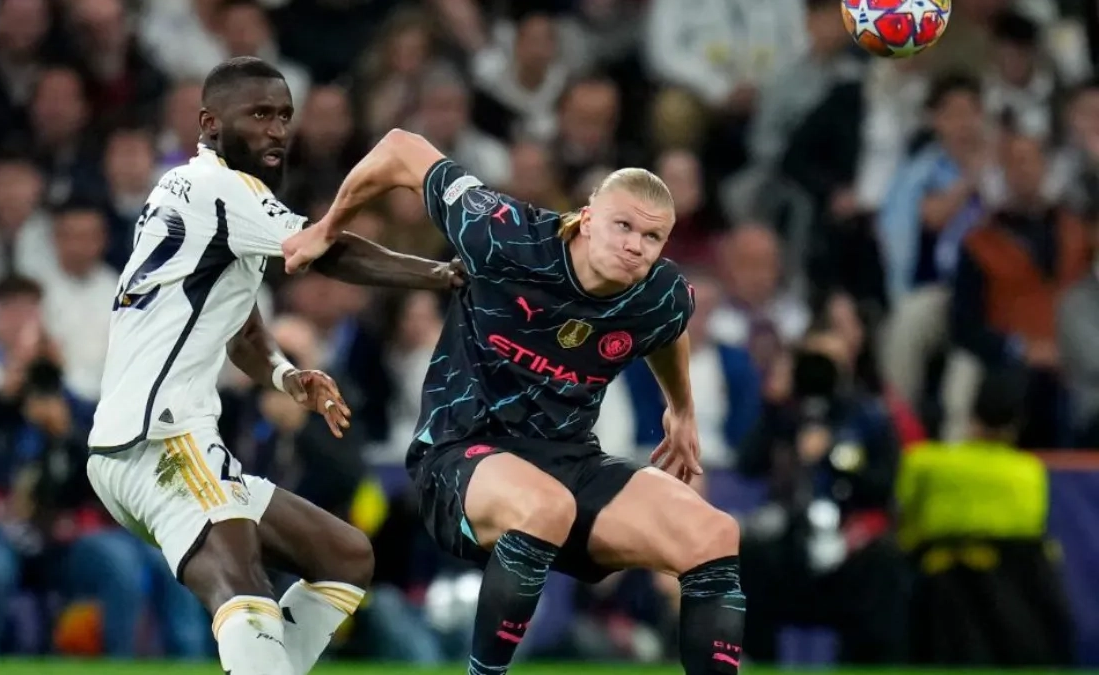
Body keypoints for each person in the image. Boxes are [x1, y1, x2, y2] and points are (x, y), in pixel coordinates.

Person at [284, 128, 746, 675]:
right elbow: (401, 149)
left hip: (569, 462)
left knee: (714, 534)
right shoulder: (502, 233)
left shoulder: (659, 291)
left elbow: (670, 326)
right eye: (623, 225)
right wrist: (326, 228)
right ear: (587, 217)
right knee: (545, 506)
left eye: (652, 237)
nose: (635, 245)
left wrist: (682, 410)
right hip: (460, 455)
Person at [85, 57, 461, 675]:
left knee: (344, 557)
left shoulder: (188, 191)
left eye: (284, 116)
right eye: (260, 114)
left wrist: (288, 376)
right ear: (210, 123)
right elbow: (324, 250)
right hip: (161, 438)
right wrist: (443, 273)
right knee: (244, 590)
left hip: (143, 443)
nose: (277, 130)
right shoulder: (222, 188)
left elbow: (241, 330)